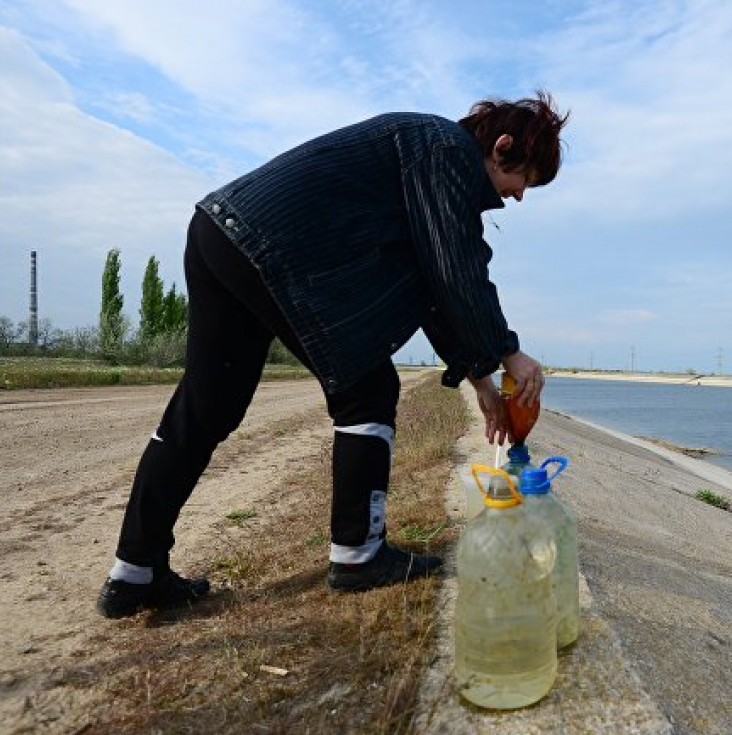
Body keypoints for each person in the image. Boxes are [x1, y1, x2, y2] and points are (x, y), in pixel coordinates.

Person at [96, 91, 568, 619]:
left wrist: (479, 372)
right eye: (525, 179)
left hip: (219, 232)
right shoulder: (447, 151)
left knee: (206, 407)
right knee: (368, 386)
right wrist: (508, 352)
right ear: (502, 147)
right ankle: (359, 556)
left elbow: (433, 281)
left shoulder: (425, 153)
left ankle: (134, 570)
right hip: (267, 245)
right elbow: (454, 265)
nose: (519, 197)